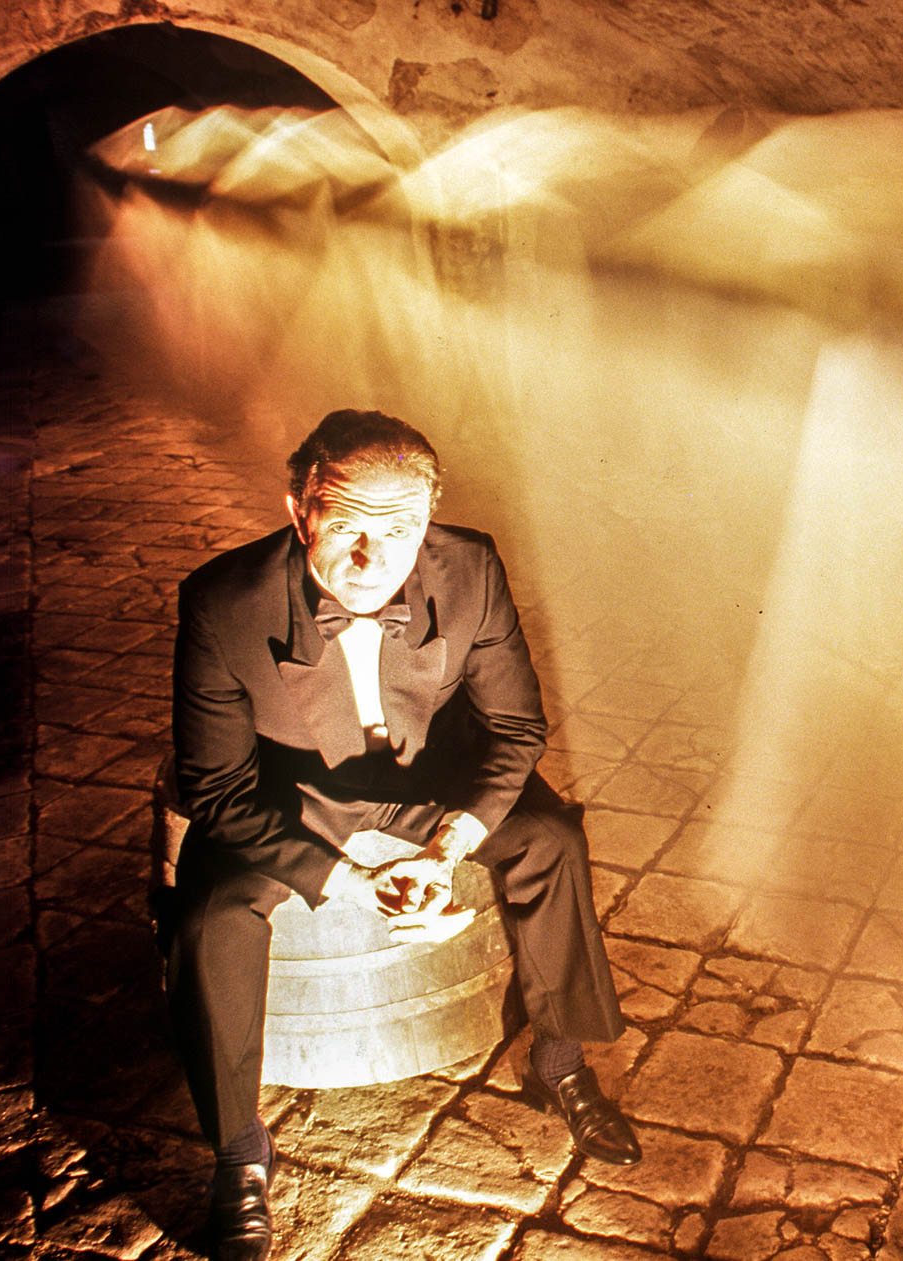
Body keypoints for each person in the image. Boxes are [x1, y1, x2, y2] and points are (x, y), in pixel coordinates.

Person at [168, 410, 639, 1261]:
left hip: (428, 783)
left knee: (551, 838)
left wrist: (452, 844)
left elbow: (517, 728)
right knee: (209, 917)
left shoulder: (472, 566)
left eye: (400, 531)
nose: (371, 559)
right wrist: (348, 880)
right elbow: (215, 787)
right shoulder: (221, 602)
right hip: (294, 792)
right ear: (299, 510)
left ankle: (559, 1060)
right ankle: (239, 1152)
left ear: (427, 522)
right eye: (346, 526)